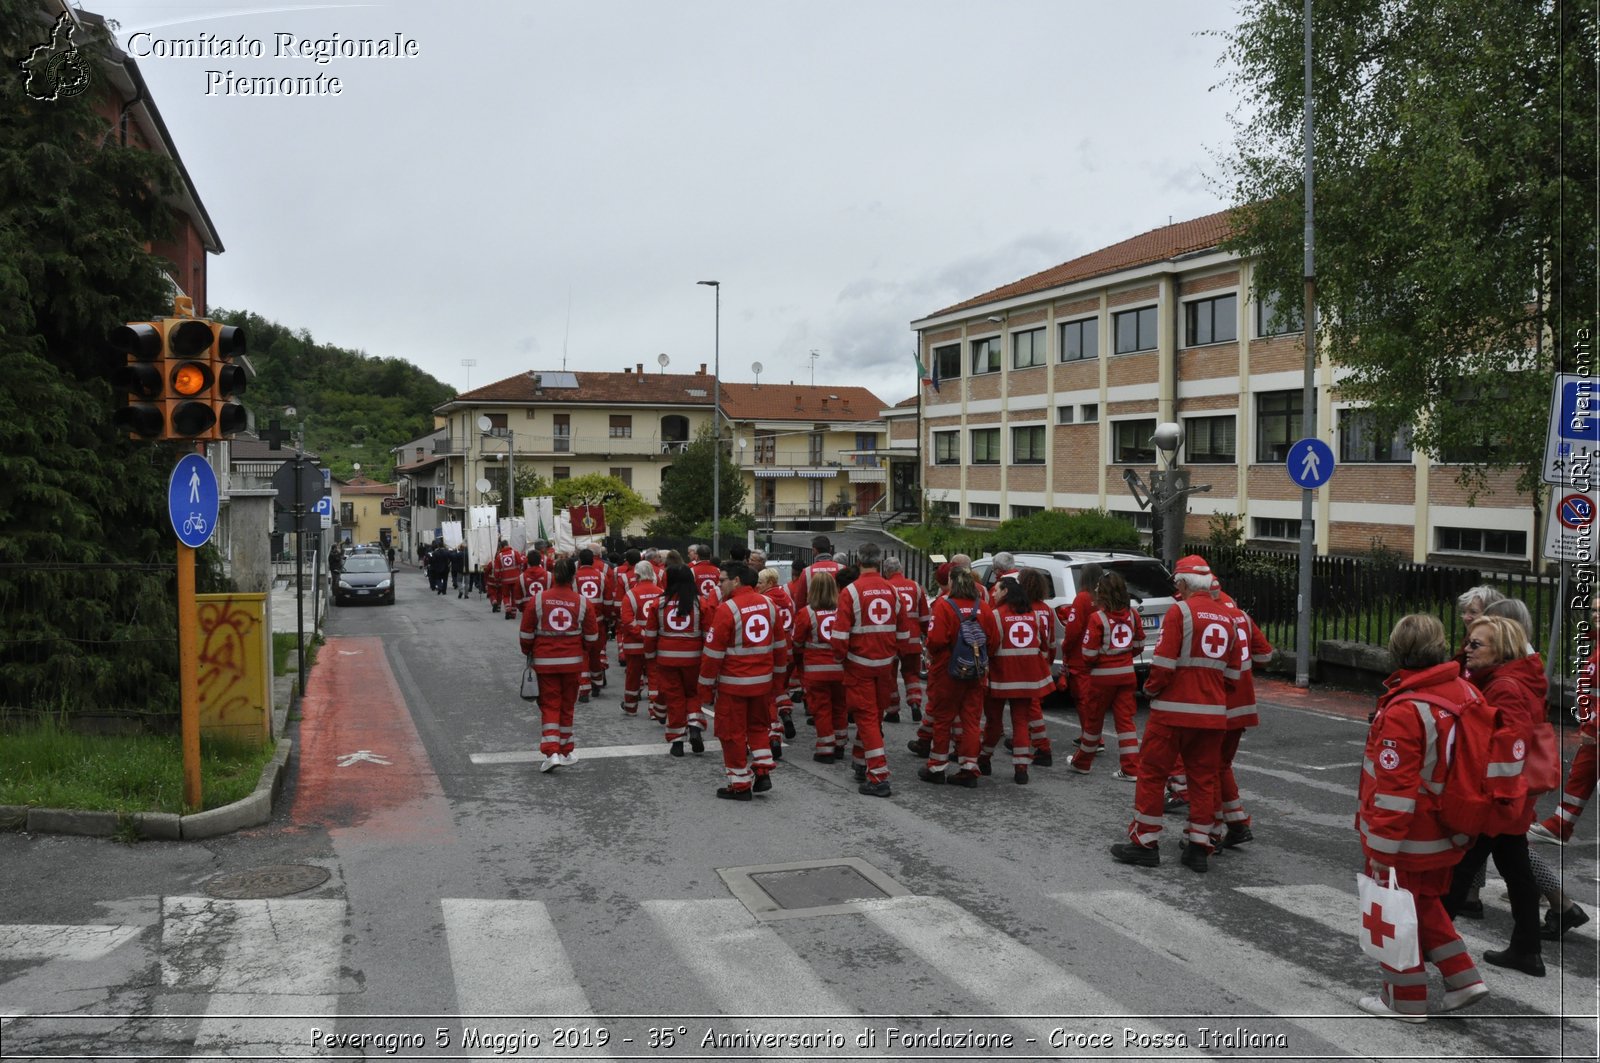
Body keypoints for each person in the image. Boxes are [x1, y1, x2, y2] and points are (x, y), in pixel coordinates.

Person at [1354, 614, 1487, 1021]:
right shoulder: (1465, 692)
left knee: (1395, 911)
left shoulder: (1406, 709)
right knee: (1425, 905)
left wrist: (1380, 848)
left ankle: (1404, 1001)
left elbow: (1395, 792)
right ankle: (1464, 978)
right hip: (1451, 827)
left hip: (1410, 835)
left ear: (1396, 651)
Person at [1110, 554, 1236, 874]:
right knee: (1204, 779)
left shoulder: (1179, 612)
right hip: (1213, 715)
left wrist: (1150, 689)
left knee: (1152, 774)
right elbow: (1234, 674)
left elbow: (1164, 664)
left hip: (1172, 713)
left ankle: (1145, 842)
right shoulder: (1229, 616)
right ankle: (1198, 846)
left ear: (1182, 583)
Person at [1438, 614, 1547, 976]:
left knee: (1460, 870)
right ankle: (1527, 950)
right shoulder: (1506, 679)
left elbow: (1510, 746)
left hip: (1498, 799)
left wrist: (1493, 798)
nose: (1466, 649)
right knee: (1517, 872)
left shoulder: (1504, 687)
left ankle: (1431, 943)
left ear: (1501, 650)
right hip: (1509, 799)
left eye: (1475, 644)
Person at [700, 563, 784, 799]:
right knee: (758, 727)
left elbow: (712, 654)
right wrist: (778, 681)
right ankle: (763, 770)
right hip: (763, 682)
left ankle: (740, 785)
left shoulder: (727, 609)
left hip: (734, 684)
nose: (720, 585)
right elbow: (780, 646)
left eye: (722, 580)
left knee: (732, 733)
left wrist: (705, 688)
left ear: (736, 580)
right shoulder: (769, 605)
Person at [831, 544, 907, 797]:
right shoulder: (892, 590)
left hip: (859, 664)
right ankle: (861, 761)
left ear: (858, 560)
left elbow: (840, 636)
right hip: (886, 664)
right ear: (880, 561)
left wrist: (842, 660)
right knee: (875, 715)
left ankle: (878, 775)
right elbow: (904, 633)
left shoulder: (851, 591)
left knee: (866, 718)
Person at [518, 557, 599, 775]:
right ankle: (565, 750)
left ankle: (551, 752)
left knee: (550, 706)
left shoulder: (538, 600)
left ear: (553, 575)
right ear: (573, 576)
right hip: (573, 663)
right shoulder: (582, 602)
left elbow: (526, 634)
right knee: (567, 705)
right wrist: (580, 649)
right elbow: (592, 638)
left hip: (545, 664)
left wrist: (530, 652)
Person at [1208, 576, 1273, 847]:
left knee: (1207, 768)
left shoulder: (1210, 618)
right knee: (1221, 766)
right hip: (1243, 703)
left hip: (1216, 704)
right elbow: (1265, 655)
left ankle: (1211, 831)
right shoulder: (1241, 617)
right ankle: (1236, 823)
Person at [921, 565, 999, 787]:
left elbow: (935, 640)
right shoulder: (983, 608)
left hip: (947, 672)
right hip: (975, 673)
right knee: (972, 721)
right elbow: (993, 642)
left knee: (943, 719)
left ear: (952, 583)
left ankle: (937, 767)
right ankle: (969, 768)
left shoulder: (944, 606)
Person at [1067, 571, 1145, 780]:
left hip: (1102, 678)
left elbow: (1089, 654)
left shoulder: (1097, 618)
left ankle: (1082, 762)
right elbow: (1139, 645)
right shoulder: (1133, 614)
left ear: (1103, 593)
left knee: (1093, 721)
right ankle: (1131, 768)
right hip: (1127, 674)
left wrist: (1100, 660)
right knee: (1126, 723)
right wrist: (1124, 657)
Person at [982, 576, 1052, 784]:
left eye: (997, 590)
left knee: (994, 722)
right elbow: (1042, 643)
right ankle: (1021, 768)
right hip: (1028, 677)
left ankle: (984, 758)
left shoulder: (996, 615)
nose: (993, 593)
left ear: (1006, 593)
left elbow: (992, 646)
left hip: (1003, 676)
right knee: (1021, 722)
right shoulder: (1033, 615)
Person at [645, 563, 708, 752]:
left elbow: (650, 635)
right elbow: (708, 635)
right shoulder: (701, 603)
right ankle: (695, 725)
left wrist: (650, 657)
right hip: (694, 659)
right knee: (693, 693)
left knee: (674, 697)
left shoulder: (659, 604)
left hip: (667, 659)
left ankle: (677, 741)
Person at [792, 571, 846, 762]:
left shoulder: (806, 613)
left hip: (816, 670)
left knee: (821, 708)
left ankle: (826, 747)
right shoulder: (842, 611)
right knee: (840, 706)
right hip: (840, 668)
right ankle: (840, 743)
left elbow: (797, 642)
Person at [884, 555, 930, 724]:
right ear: (901, 569)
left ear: (887, 572)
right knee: (911, 674)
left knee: (890, 676)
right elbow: (925, 617)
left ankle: (893, 710)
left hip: (893, 640)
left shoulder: (887, 587)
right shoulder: (916, 587)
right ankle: (915, 702)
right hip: (913, 640)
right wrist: (925, 635)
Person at [757, 566, 797, 756]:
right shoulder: (787, 598)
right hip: (788, 648)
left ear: (770, 583)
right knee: (781, 686)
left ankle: (773, 732)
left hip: (774, 649)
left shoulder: (766, 600)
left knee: (769, 694)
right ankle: (786, 712)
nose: (758, 586)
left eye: (761, 583)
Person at [618, 560, 663, 719]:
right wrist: (651, 637)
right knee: (654, 676)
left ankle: (630, 707)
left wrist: (642, 635)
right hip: (655, 644)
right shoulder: (661, 592)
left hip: (634, 644)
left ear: (636, 575)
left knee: (632, 676)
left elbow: (627, 621)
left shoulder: (630, 594)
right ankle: (655, 710)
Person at [490, 538, 524, 616]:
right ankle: (513, 613)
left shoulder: (499, 556)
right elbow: (521, 563)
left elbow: (497, 570)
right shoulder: (515, 553)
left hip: (505, 580)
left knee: (506, 596)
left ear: (501, 547)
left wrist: (497, 579)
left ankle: (507, 609)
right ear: (508, 545)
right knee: (514, 596)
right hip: (516, 579)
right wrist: (520, 572)